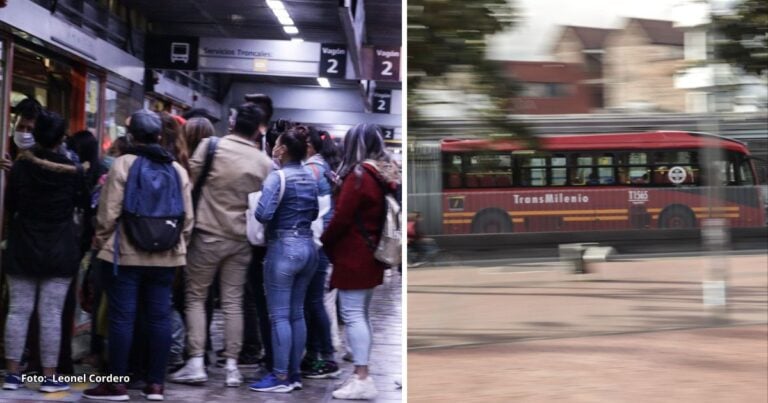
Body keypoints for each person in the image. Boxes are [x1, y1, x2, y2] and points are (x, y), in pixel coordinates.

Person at [82, 110, 194, 401]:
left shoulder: (123, 165)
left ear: (132, 137)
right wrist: (175, 244)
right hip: (167, 257)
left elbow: (108, 214)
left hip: (125, 254)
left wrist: (107, 242)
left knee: (122, 318)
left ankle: (117, 384)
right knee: (160, 317)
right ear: (159, 136)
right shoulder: (178, 170)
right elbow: (188, 218)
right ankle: (155, 384)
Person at [170, 103, 272, 387]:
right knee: (233, 302)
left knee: (195, 298)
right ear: (257, 130)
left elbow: (188, 182)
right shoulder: (264, 162)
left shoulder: (211, 147)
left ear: (233, 122)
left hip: (206, 234)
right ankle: (231, 367)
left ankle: (196, 362)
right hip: (241, 241)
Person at [2, 111, 87, 393]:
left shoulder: (21, 167)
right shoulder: (73, 172)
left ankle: (12, 374)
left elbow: (11, 205)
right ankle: (50, 377)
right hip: (60, 248)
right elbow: (83, 206)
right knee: (50, 314)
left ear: (36, 135)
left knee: (18, 311)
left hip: (23, 245)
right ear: (62, 139)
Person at [321, 124, 400, 400]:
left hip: (353, 254)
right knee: (361, 315)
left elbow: (341, 217)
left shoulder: (359, 176)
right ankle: (361, 375)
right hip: (371, 254)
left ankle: (362, 377)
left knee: (353, 316)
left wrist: (325, 241)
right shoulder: (382, 175)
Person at [249, 127, 319, 393]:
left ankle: (279, 377)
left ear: (283, 150)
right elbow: (313, 213)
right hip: (308, 246)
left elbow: (263, 215)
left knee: (278, 316)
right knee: (296, 313)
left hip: (283, 248)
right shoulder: (311, 176)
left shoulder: (277, 177)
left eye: (277, 145)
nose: (274, 149)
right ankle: (294, 374)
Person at [300, 127, 341, 379]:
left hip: (315, 243)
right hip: (323, 244)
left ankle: (324, 357)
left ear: (309, 146)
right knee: (314, 302)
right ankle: (317, 354)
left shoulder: (311, 170)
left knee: (312, 302)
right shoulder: (326, 168)